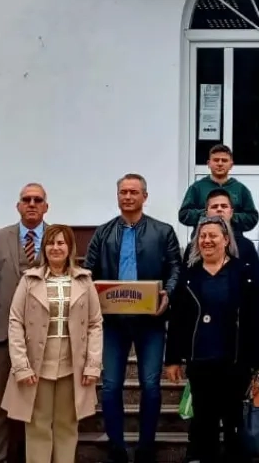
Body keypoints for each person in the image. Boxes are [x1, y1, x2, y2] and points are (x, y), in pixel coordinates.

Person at [84, 173, 182, 463]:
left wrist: (168, 294)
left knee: (151, 385)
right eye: (123, 192)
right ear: (117, 196)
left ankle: (146, 447)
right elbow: (88, 271)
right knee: (112, 385)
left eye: (134, 192)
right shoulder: (102, 233)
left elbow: (175, 268)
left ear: (145, 197)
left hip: (150, 322)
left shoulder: (163, 232)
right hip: (112, 323)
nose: (128, 197)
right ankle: (115, 447)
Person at [165, 215, 259, 463]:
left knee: (234, 422)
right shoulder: (189, 275)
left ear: (225, 239)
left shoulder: (242, 273)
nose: (207, 240)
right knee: (204, 423)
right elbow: (178, 321)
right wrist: (172, 359)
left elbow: (256, 318)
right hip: (200, 362)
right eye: (202, 236)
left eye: (213, 235)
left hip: (235, 362)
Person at [2, 225, 103, 463]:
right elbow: (15, 322)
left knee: (67, 426)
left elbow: (95, 324)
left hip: (72, 368)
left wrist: (92, 365)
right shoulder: (29, 281)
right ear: (43, 248)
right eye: (50, 243)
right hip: (38, 368)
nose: (55, 248)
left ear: (69, 248)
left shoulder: (84, 280)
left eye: (61, 243)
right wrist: (21, 366)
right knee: (37, 426)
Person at [0, 182, 51, 463]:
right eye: (27, 199)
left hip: (46, 337)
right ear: (18, 205)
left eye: (38, 199)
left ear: (46, 206)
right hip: (2, 336)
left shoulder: (57, 238)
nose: (32, 204)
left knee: (40, 405)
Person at [178, 144, 259, 235]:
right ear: (209, 163)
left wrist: (231, 216)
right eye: (216, 160)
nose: (220, 163)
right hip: (204, 241)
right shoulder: (197, 188)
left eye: (224, 160)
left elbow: (252, 218)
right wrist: (207, 214)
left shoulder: (241, 189)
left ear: (231, 165)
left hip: (234, 243)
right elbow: (183, 215)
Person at [204, 187, 259, 276]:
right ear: (206, 213)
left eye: (224, 206)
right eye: (214, 206)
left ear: (231, 212)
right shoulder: (195, 247)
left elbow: (254, 284)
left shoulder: (246, 247)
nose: (219, 209)